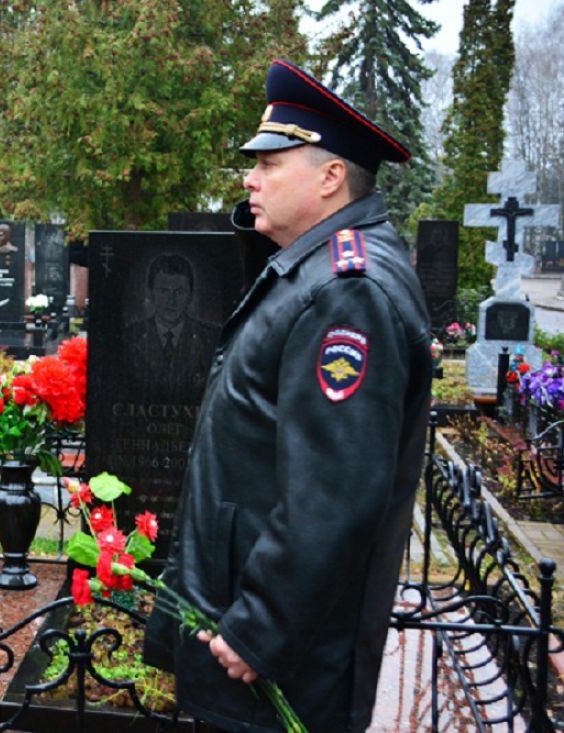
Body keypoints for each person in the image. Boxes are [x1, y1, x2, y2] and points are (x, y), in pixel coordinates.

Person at [144, 59, 433, 732]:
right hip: (242, 609)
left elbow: (334, 493)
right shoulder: (314, 267)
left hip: (283, 660)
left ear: (331, 177)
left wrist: (260, 628)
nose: (250, 178)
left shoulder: (346, 293)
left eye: (271, 163)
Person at [124, 253, 220, 401]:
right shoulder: (128, 337)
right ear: (150, 293)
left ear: (191, 295)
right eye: (163, 291)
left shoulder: (213, 337)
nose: (171, 300)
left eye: (179, 292)